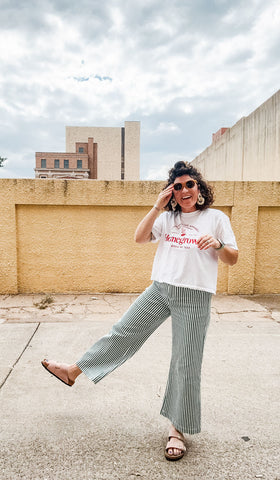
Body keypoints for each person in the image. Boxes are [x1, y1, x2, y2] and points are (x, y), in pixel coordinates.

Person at [41, 160, 238, 461]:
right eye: (178, 186)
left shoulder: (216, 218)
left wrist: (219, 244)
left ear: (199, 188)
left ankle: (177, 429)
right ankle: (72, 371)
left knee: (185, 362)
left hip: (195, 296)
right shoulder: (167, 218)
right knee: (122, 333)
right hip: (160, 289)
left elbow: (232, 258)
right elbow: (139, 237)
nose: (184, 190)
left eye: (190, 184)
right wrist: (157, 206)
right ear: (171, 191)